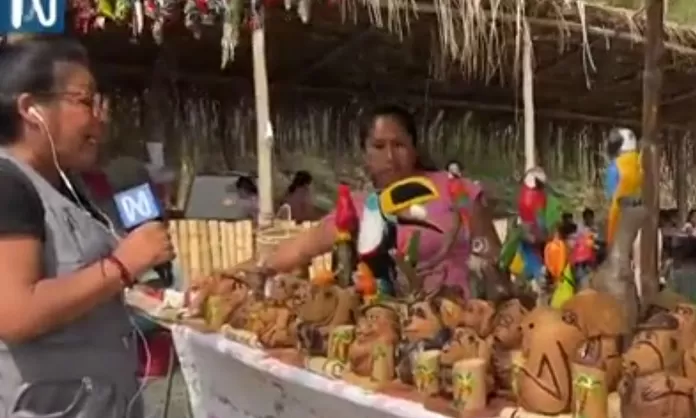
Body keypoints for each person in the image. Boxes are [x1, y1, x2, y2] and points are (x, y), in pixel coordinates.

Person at [0, 38, 173, 417]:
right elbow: (14, 314)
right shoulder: (7, 183)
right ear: (32, 110)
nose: (101, 117)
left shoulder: (70, 184)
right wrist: (121, 267)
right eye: (85, 101)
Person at [247, 104, 494, 294]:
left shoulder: (455, 189)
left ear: (414, 148)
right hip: (383, 326)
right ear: (365, 153)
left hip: (460, 325)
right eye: (378, 146)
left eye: (399, 145)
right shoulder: (358, 206)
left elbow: (492, 257)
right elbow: (302, 247)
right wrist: (254, 270)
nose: (390, 156)